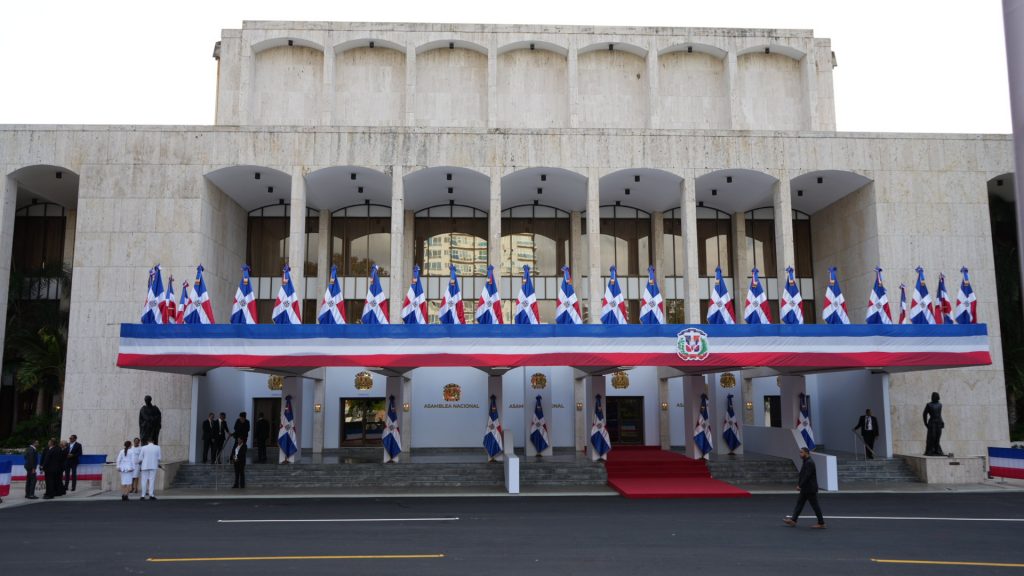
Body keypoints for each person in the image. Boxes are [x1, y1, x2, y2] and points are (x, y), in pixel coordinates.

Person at [784, 447, 825, 529]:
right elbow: (803, 475)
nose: (800, 454)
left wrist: (800, 485)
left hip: (810, 489)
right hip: (806, 488)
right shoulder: (806, 461)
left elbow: (807, 476)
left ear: (806, 453)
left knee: (815, 506)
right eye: (800, 452)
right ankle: (793, 520)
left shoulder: (809, 462)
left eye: (801, 452)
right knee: (799, 504)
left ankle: (821, 523)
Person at [923, 392, 945, 456]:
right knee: (932, 437)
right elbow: (924, 414)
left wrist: (942, 421)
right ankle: (930, 450)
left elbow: (939, 414)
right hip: (932, 423)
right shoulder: (929, 405)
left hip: (938, 422)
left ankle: (937, 450)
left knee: (938, 436)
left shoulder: (940, 405)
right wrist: (925, 423)